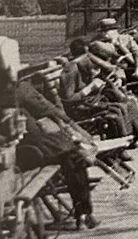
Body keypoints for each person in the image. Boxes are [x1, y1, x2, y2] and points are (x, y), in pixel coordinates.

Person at [14, 79, 98, 230]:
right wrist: (72, 125)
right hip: (27, 152)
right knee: (73, 157)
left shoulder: (1, 91)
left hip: (22, 149)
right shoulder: (19, 88)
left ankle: (83, 213)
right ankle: (84, 213)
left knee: (70, 155)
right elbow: (45, 106)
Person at [95, 17, 138, 112]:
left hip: (132, 69)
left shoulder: (126, 39)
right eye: (103, 32)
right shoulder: (101, 45)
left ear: (115, 30)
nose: (105, 34)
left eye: (107, 31)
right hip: (119, 73)